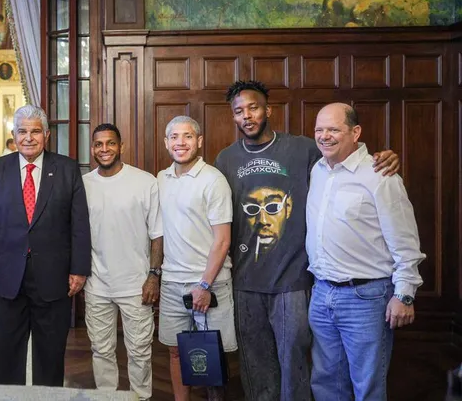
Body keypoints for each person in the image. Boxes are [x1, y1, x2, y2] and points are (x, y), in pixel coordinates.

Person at [213, 80, 399, 401]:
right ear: (233, 116)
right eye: (239, 111)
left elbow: (344, 157)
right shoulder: (226, 159)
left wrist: (384, 157)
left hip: (293, 279)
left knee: (295, 362)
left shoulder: (303, 149)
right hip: (244, 281)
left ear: (268, 110)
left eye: (254, 108)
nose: (247, 116)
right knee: (255, 365)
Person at [307, 103, 424, 400]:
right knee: (326, 382)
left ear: (355, 132)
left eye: (333, 129)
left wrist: (405, 294)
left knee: (367, 385)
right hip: (321, 294)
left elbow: (405, 240)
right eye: (319, 129)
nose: (324, 136)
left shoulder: (380, 174)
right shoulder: (317, 170)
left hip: (366, 297)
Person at [0, 105, 91, 386]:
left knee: (50, 355)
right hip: (6, 275)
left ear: (46, 135)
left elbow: (79, 223)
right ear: (14, 134)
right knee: (8, 353)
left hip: (54, 276)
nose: (28, 138)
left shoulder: (67, 168)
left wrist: (79, 269)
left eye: (35, 131)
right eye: (22, 131)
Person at [82, 123, 162, 400]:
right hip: (96, 284)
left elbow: (157, 234)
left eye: (110, 143)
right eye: (98, 144)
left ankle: (141, 397)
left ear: (121, 147)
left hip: (136, 284)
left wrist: (153, 275)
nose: (104, 149)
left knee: (139, 350)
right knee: (101, 349)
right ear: (92, 148)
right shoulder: (83, 185)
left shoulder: (145, 182)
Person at [158, 116, 236, 401]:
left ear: (199, 141)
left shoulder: (213, 180)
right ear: (166, 143)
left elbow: (223, 240)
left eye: (188, 136)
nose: (181, 142)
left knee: (211, 353)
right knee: (176, 351)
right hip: (172, 282)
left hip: (208, 283)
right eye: (174, 137)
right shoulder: (161, 179)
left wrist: (204, 285)